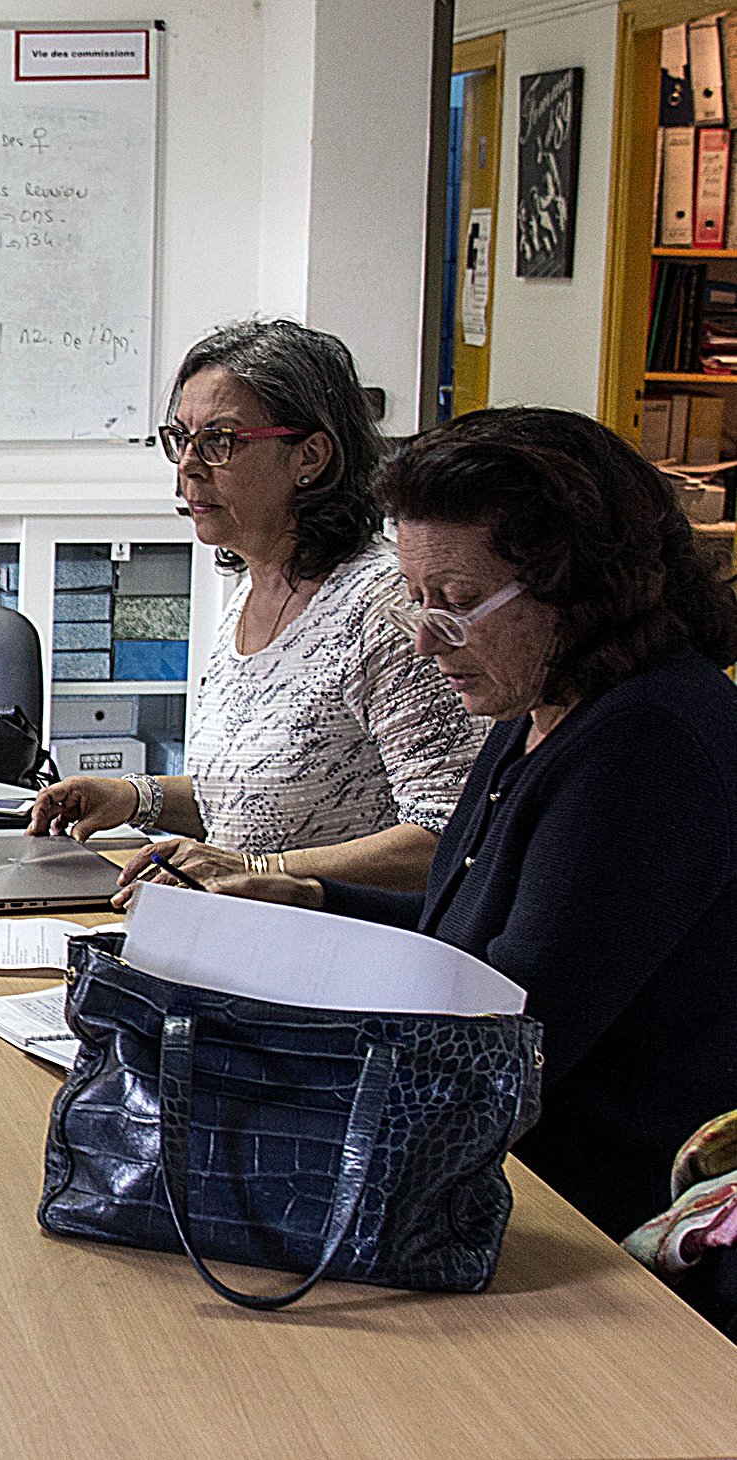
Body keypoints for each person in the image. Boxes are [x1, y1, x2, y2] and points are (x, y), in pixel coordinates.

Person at [184, 407, 737, 1250]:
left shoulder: (646, 743)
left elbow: (502, 1028)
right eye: (417, 600)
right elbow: (476, 935)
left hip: (589, 1218)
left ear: (580, 585)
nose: (427, 639)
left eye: (460, 602)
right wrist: (308, 896)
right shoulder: (546, 700)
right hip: (506, 1177)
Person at [30, 320, 485, 890]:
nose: (188, 466)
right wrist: (132, 795)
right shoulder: (253, 588)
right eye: (181, 438)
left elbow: (450, 837)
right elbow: (254, 800)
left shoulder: (385, 611)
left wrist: (261, 871)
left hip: (332, 954)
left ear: (310, 457)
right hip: (243, 935)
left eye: (220, 442)